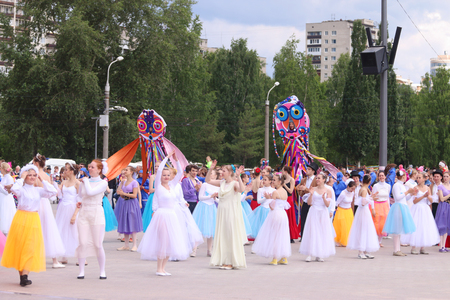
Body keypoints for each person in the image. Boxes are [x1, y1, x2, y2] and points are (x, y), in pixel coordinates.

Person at [1, 165, 57, 287]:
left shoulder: (38, 190)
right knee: (20, 248)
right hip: (21, 218)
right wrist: (21, 178)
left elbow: (53, 192)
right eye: (29, 175)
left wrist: (43, 181)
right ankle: (22, 276)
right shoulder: (21, 189)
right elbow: (14, 190)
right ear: (25, 176)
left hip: (33, 220)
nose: (32, 177)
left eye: (34, 175)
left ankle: (25, 275)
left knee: (30, 248)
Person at [138, 152, 190, 276]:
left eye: (168, 175)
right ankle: (158, 268)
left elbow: (180, 173)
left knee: (169, 243)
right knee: (163, 241)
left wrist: (176, 160)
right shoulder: (158, 186)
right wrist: (166, 158)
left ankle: (163, 268)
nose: (166, 177)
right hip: (161, 215)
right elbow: (160, 169)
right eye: (164, 175)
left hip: (172, 215)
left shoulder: (172, 186)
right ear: (160, 176)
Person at [206, 160, 247, 270]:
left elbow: (242, 190)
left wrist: (238, 177)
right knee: (223, 236)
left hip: (231, 213)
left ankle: (231, 261)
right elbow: (208, 180)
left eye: (223, 171)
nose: (221, 173)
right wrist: (211, 169)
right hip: (222, 213)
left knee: (230, 236)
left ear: (229, 172)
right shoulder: (221, 183)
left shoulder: (234, 184)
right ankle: (224, 260)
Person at [74, 159, 109, 279]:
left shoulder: (103, 183)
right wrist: (79, 202)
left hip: (96, 213)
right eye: (89, 166)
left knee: (98, 244)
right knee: (82, 242)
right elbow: (80, 195)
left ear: (99, 170)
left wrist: (85, 181)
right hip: (84, 212)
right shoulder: (85, 182)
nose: (89, 168)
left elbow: (90, 192)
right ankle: (81, 271)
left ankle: (102, 271)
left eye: (92, 167)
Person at [32, 154, 66, 269]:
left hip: (36, 203)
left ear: (36, 164)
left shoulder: (34, 175)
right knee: (48, 229)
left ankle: (33, 257)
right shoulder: (47, 176)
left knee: (36, 229)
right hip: (45, 204)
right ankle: (54, 260)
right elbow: (53, 192)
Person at [252, 173, 291, 265]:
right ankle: (284, 257)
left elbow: (272, 207)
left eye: (274, 180)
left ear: (279, 182)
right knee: (282, 234)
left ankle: (275, 258)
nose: (273, 181)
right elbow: (285, 205)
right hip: (283, 214)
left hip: (275, 214)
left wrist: (268, 198)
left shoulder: (275, 192)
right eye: (272, 180)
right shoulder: (285, 191)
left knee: (275, 236)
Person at [299, 173, 335, 262]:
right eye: (317, 178)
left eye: (319, 178)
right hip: (313, 211)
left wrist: (324, 198)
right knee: (312, 232)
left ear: (324, 179)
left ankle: (319, 254)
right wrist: (311, 194)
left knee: (321, 232)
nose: (317, 179)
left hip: (323, 212)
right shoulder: (313, 189)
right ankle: (310, 254)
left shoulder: (328, 190)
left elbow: (327, 205)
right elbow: (309, 203)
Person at [402, 172, 439, 254]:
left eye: (419, 177)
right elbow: (414, 201)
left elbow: (431, 201)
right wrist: (423, 196)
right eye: (417, 177)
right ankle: (413, 247)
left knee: (424, 227)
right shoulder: (415, 188)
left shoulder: (427, 187)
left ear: (424, 179)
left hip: (425, 209)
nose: (418, 179)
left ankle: (422, 247)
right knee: (416, 226)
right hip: (417, 208)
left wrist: (428, 196)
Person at [382, 170, 416, 256]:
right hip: (398, 207)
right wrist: (407, 192)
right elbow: (397, 197)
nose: (406, 177)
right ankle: (396, 250)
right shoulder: (396, 185)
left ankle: (398, 249)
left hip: (403, 206)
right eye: (405, 176)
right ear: (402, 176)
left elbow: (405, 198)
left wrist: (411, 194)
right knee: (397, 230)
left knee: (400, 229)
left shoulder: (402, 185)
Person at [347, 175, 379, 259]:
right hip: (363, 211)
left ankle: (366, 251)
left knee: (367, 230)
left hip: (365, 211)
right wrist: (371, 198)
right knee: (363, 230)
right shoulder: (364, 190)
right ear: (369, 182)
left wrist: (371, 198)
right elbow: (363, 202)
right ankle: (361, 251)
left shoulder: (365, 189)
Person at [54, 162, 80, 264]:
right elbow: (58, 195)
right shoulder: (64, 182)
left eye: (66, 169)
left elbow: (80, 200)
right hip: (63, 208)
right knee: (63, 230)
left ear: (71, 171)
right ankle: (64, 256)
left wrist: (74, 215)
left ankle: (81, 257)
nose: (64, 171)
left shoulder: (78, 183)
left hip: (72, 208)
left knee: (75, 232)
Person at [193, 169, 219, 256]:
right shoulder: (205, 184)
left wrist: (216, 199)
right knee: (199, 228)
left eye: (212, 173)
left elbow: (218, 199)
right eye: (209, 173)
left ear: (216, 176)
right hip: (203, 207)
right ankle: (194, 249)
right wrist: (210, 196)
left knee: (211, 229)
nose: (210, 175)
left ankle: (209, 250)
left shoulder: (217, 187)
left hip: (211, 207)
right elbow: (200, 197)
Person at [116, 166, 143, 252]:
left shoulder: (134, 182)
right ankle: (126, 245)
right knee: (125, 222)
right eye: (125, 170)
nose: (125, 172)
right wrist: (121, 192)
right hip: (125, 203)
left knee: (132, 222)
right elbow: (119, 192)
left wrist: (124, 193)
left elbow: (134, 195)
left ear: (131, 172)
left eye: (126, 170)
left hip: (132, 203)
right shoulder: (124, 182)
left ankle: (134, 244)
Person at [296, 162, 319, 240]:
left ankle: (312, 236)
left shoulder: (316, 180)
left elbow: (317, 191)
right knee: (303, 219)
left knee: (312, 220)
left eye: (309, 169)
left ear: (313, 171)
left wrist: (305, 189)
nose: (307, 170)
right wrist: (301, 190)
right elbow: (297, 188)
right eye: (307, 169)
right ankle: (303, 237)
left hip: (314, 203)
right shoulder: (304, 179)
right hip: (305, 202)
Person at [248, 174, 275, 239]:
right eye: (263, 179)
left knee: (270, 226)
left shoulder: (273, 190)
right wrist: (266, 198)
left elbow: (274, 201)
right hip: (262, 209)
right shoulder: (260, 190)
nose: (263, 181)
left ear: (270, 181)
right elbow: (258, 201)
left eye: (265, 180)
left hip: (270, 210)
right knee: (261, 225)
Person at [333, 181, 356, 247]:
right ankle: (339, 240)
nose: (352, 190)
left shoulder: (352, 193)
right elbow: (337, 202)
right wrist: (335, 208)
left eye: (354, 189)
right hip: (341, 210)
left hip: (348, 211)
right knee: (342, 226)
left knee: (348, 226)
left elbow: (352, 202)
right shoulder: (343, 193)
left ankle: (347, 240)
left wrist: (352, 210)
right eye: (352, 188)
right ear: (348, 187)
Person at [281, 166, 300, 243]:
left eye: (282, 170)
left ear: (286, 171)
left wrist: (284, 184)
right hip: (283, 199)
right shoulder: (282, 179)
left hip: (289, 199)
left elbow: (291, 191)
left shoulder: (291, 179)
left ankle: (291, 236)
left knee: (290, 217)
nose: (281, 172)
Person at [372, 171, 391, 246]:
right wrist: (373, 208)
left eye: (383, 175)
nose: (381, 177)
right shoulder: (376, 186)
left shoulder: (388, 186)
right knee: (376, 221)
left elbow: (388, 197)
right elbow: (373, 198)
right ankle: (374, 240)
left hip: (385, 205)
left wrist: (389, 207)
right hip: (377, 204)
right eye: (380, 176)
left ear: (385, 176)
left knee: (383, 222)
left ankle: (380, 241)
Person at [142, 161, 160, 232]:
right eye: (155, 166)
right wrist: (159, 188)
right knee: (152, 216)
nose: (156, 168)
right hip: (153, 197)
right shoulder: (152, 177)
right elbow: (151, 190)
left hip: (161, 197)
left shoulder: (164, 176)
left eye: (158, 166)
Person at [0, 162, 16, 235]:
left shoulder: (9, 178)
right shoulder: (4, 177)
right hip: (3, 198)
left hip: (6, 199)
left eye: (0, 167)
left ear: (3, 169)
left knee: (6, 213)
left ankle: (5, 229)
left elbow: (8, 192)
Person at [436, 171, 450, 252]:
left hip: (449, 206)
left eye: (447, 176)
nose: (445, 178)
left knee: (447, 226)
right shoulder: (441, 186)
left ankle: (444, 246)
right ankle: (441, 246)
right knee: (442, 225)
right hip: (443, 206)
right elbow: (441, 198)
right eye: (444, 176)